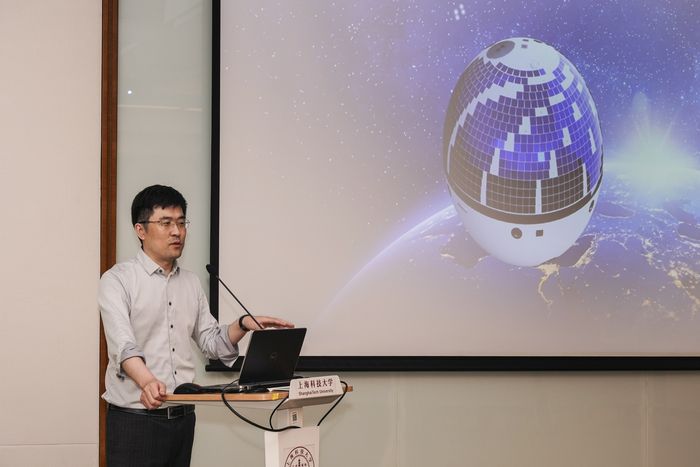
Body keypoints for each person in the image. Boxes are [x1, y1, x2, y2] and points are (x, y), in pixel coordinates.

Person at [99, 184, 293, 467]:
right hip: (135, 421)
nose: (177, 232)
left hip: (183, 419)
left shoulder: (190, 282)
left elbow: (212, 342)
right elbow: (123, 345)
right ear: (140, 230)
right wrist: (147, 381)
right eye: (166, 223)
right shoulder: (117, 280)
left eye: (181, 223)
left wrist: (242, 324)